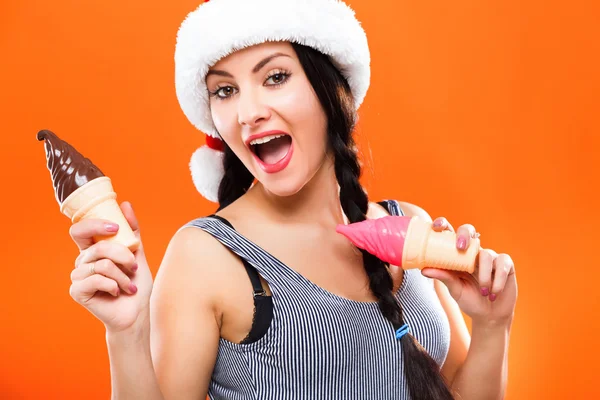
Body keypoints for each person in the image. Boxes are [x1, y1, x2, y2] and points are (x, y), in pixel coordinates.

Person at [67, 0, 518, 399]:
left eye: (275, 77)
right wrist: (127, 334)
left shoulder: (409, 223)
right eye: (225, 90)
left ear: (329, 89)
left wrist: (492, 325)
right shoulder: (206, 256)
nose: (248, 113)